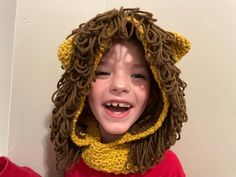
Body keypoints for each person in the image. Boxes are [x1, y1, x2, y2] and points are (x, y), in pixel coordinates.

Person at [0, 7, 191, 177]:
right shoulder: (76, 157)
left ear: (155, 93)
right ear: (82, 87)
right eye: (102, 72)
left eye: (138, 75)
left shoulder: (166, 167)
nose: (119, 85)